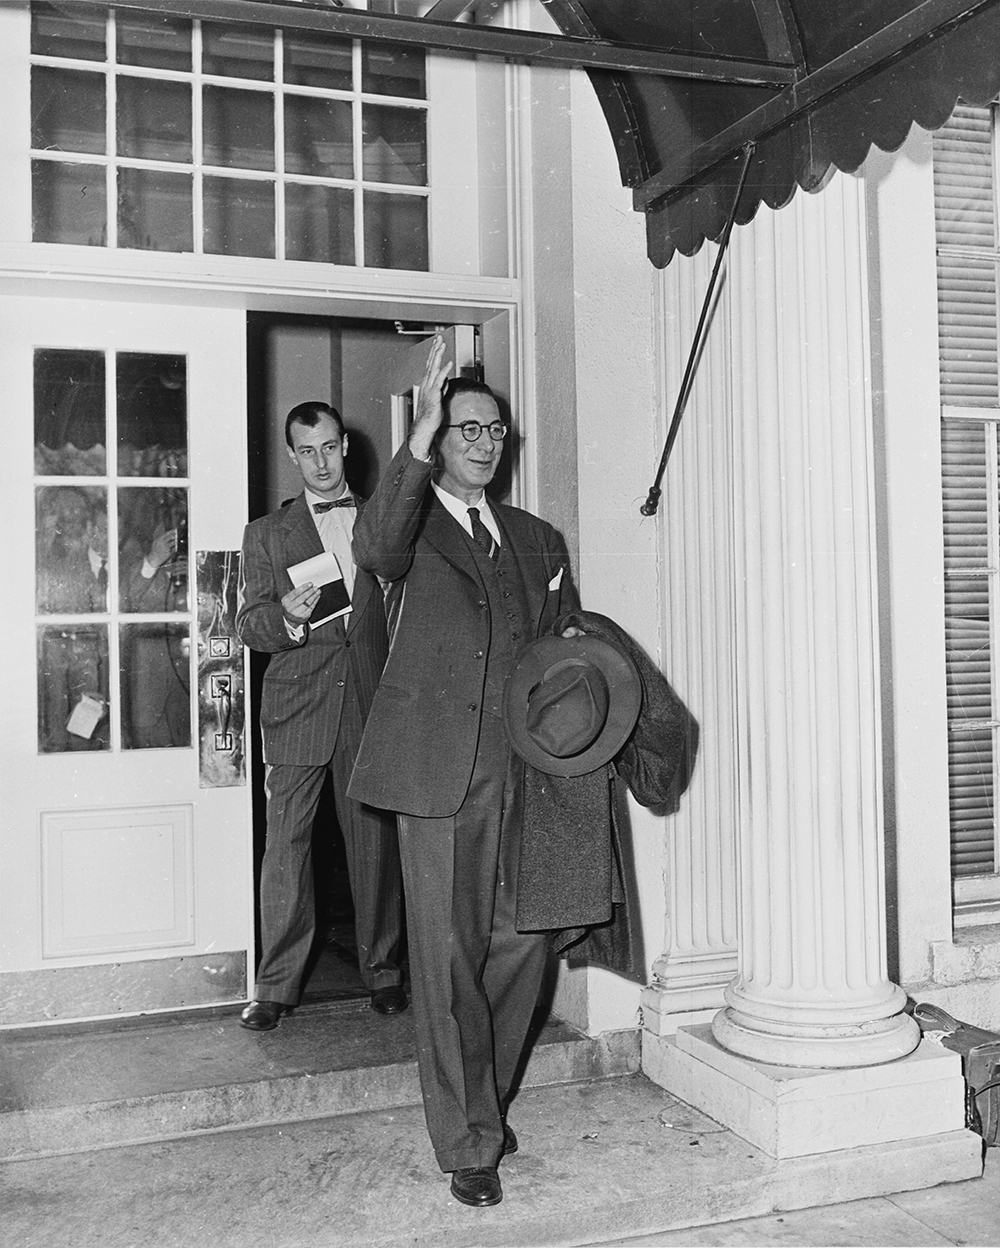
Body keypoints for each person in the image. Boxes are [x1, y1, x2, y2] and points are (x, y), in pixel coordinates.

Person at [348, 338, 580, 1207]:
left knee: (526, 942)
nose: (484, 441)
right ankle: (468, 1140)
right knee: (445, 960)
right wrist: (414, 435)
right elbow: (373, 545)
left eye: (496, 430)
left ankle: (482, 1097)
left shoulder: (537, 539)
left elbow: (562, 660)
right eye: (466, 428)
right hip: (438, 779)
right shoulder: (406, 529)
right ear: (440, 440)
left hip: (525, 776)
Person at [236, 401, 406, 1031]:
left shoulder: (384, 523)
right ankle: (275, 985)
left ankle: (384, 972)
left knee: (374, 842)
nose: (321, 462)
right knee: (287, 847)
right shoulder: (266, 534)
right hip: (298, 707)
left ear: (346, 447)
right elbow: (250, 625)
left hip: (369, 701)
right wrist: (289, 616)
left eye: (330, 447)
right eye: (307, 451)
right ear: (292, 456)